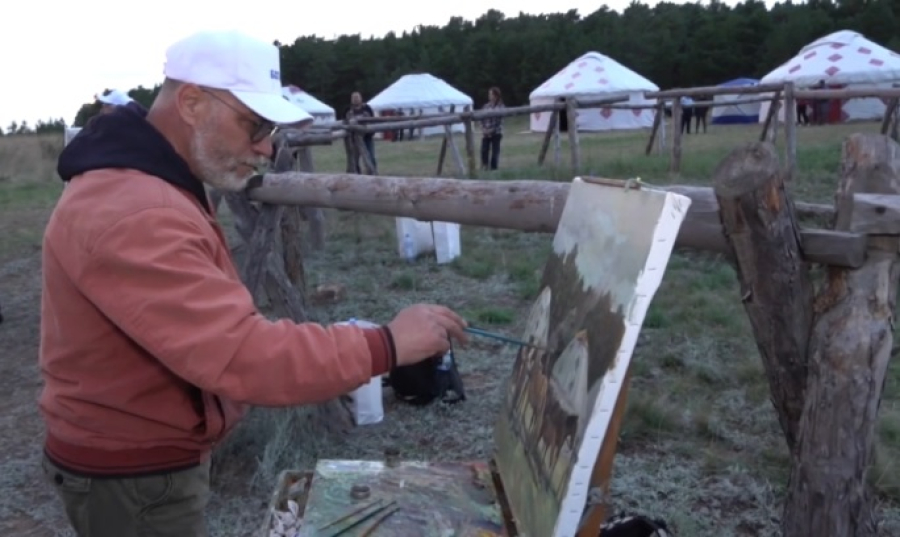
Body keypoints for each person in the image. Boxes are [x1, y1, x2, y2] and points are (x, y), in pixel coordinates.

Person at [39, 29, 468, 537]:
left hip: (137, 456)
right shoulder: (137, 209)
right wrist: (386, 345)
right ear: (192, 103)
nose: (266, 146)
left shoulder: (144, 186)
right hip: (134, 472)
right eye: (255, 124)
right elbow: (240, 355)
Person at [345, 91, 377, 173]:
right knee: (354, 159)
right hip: (354, 138)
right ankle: (356, 174)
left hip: (367, 137)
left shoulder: (367, 108)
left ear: (361, 98)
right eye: (354, 98)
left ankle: (372, 173)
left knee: (370, 156)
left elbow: (372, 121)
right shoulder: (348, 110)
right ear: (351, 100)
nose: (355, 99)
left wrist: (370, 132)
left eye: (357, 97)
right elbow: (345, 123)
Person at [480, 87, 504, 170]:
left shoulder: (500, 107)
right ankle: (485, 166)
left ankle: (494, 168)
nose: (489, 96)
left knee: (495, 151)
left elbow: (499, 121)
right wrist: (483, 129)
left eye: (491, 94)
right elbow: (481, 119)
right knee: (484, 150)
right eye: (489, 94)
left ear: (495, 95)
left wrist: (492, 130)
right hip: (486, 132)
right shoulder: (485, 106)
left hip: (496, 132)